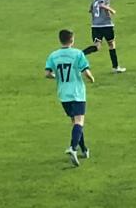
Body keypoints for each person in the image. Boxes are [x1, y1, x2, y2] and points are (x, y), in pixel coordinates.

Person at [44, 29, 94, 167]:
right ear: (72, 40)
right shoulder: (78, 54)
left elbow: (47, 73)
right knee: (79, 121)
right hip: (77, 93)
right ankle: (73, 148)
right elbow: (85, 72)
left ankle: (84, 149)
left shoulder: (53, 55)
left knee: (75, 122)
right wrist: (92, 79)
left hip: (63, 94)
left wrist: (56, 77)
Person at [82, 0, 126, 73]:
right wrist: (111, 10)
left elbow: (90, 9)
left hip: (95, 25)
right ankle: (115, 67)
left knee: (97, 46)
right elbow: (102, 5)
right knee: (111, 44)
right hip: (106, 25)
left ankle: (81, 54)